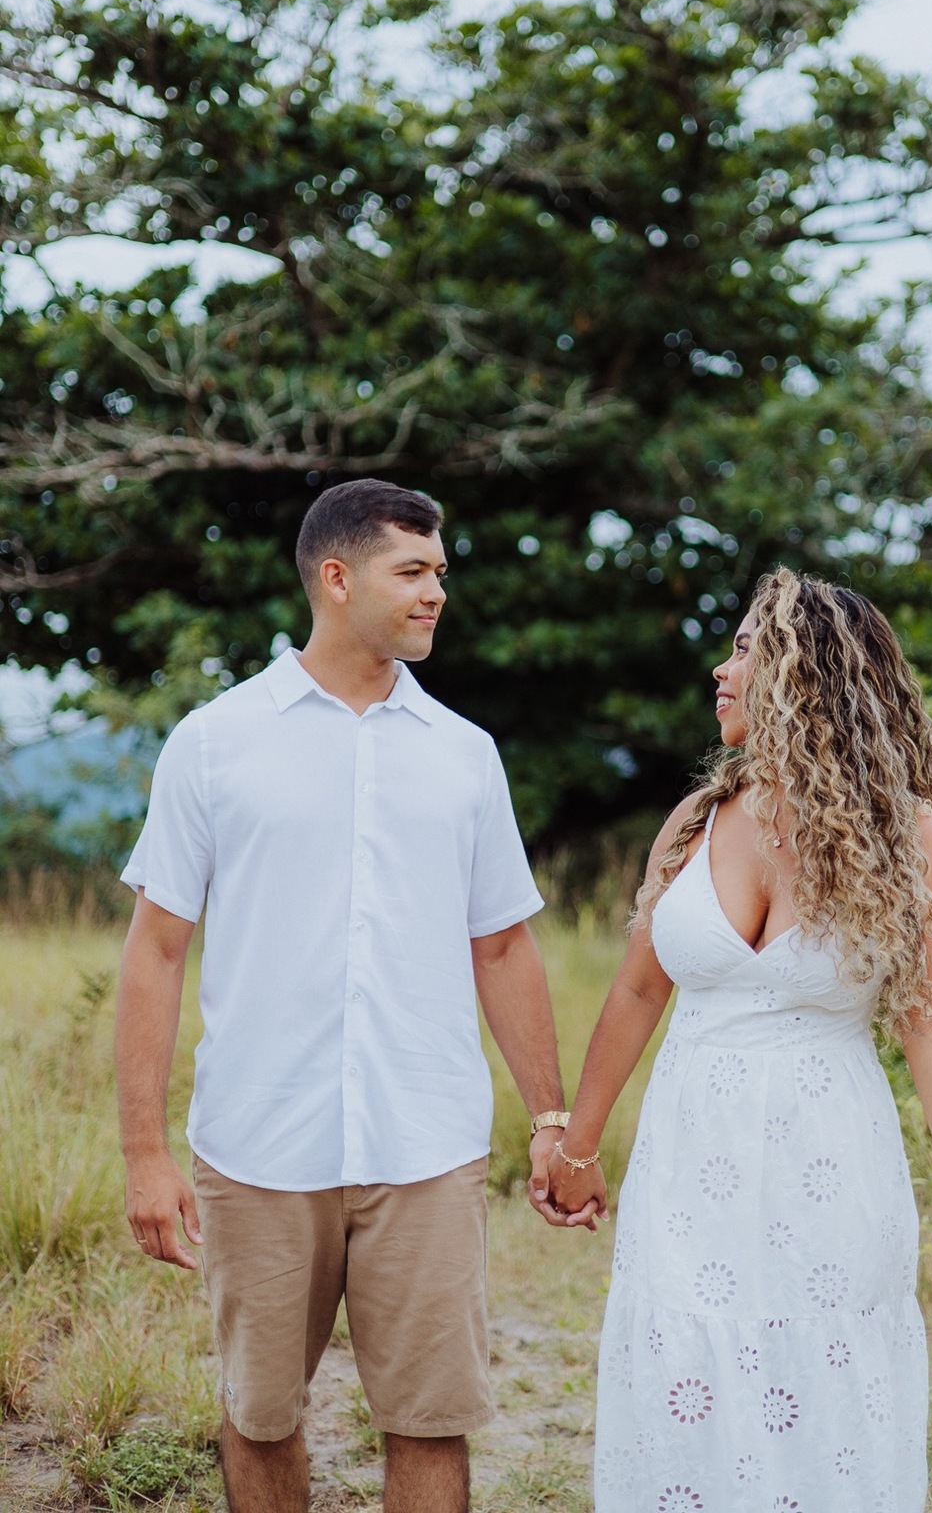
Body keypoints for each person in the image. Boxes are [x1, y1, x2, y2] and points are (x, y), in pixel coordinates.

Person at [114, 479, 578, 1513]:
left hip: (426, 1144)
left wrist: (552, 1119)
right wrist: (146, 1154)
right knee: (263, 1414)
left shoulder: (465, 755)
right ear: (336, 577)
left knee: (429, 1417)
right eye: (412, 572)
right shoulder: (214, 741)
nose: (435, 595)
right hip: (258, 1145)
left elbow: (502, 946)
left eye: (439, 574)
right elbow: (155, 952)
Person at [546, 568, 932, 1512]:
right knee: (684, 1383)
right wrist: (577, 1146)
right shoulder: (695, 824)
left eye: (745, 648)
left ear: (806, 672)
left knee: (824, 1388)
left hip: (831, 1170)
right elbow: (634, 991)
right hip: (687, 1166)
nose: (722, 669)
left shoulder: (906, 840)